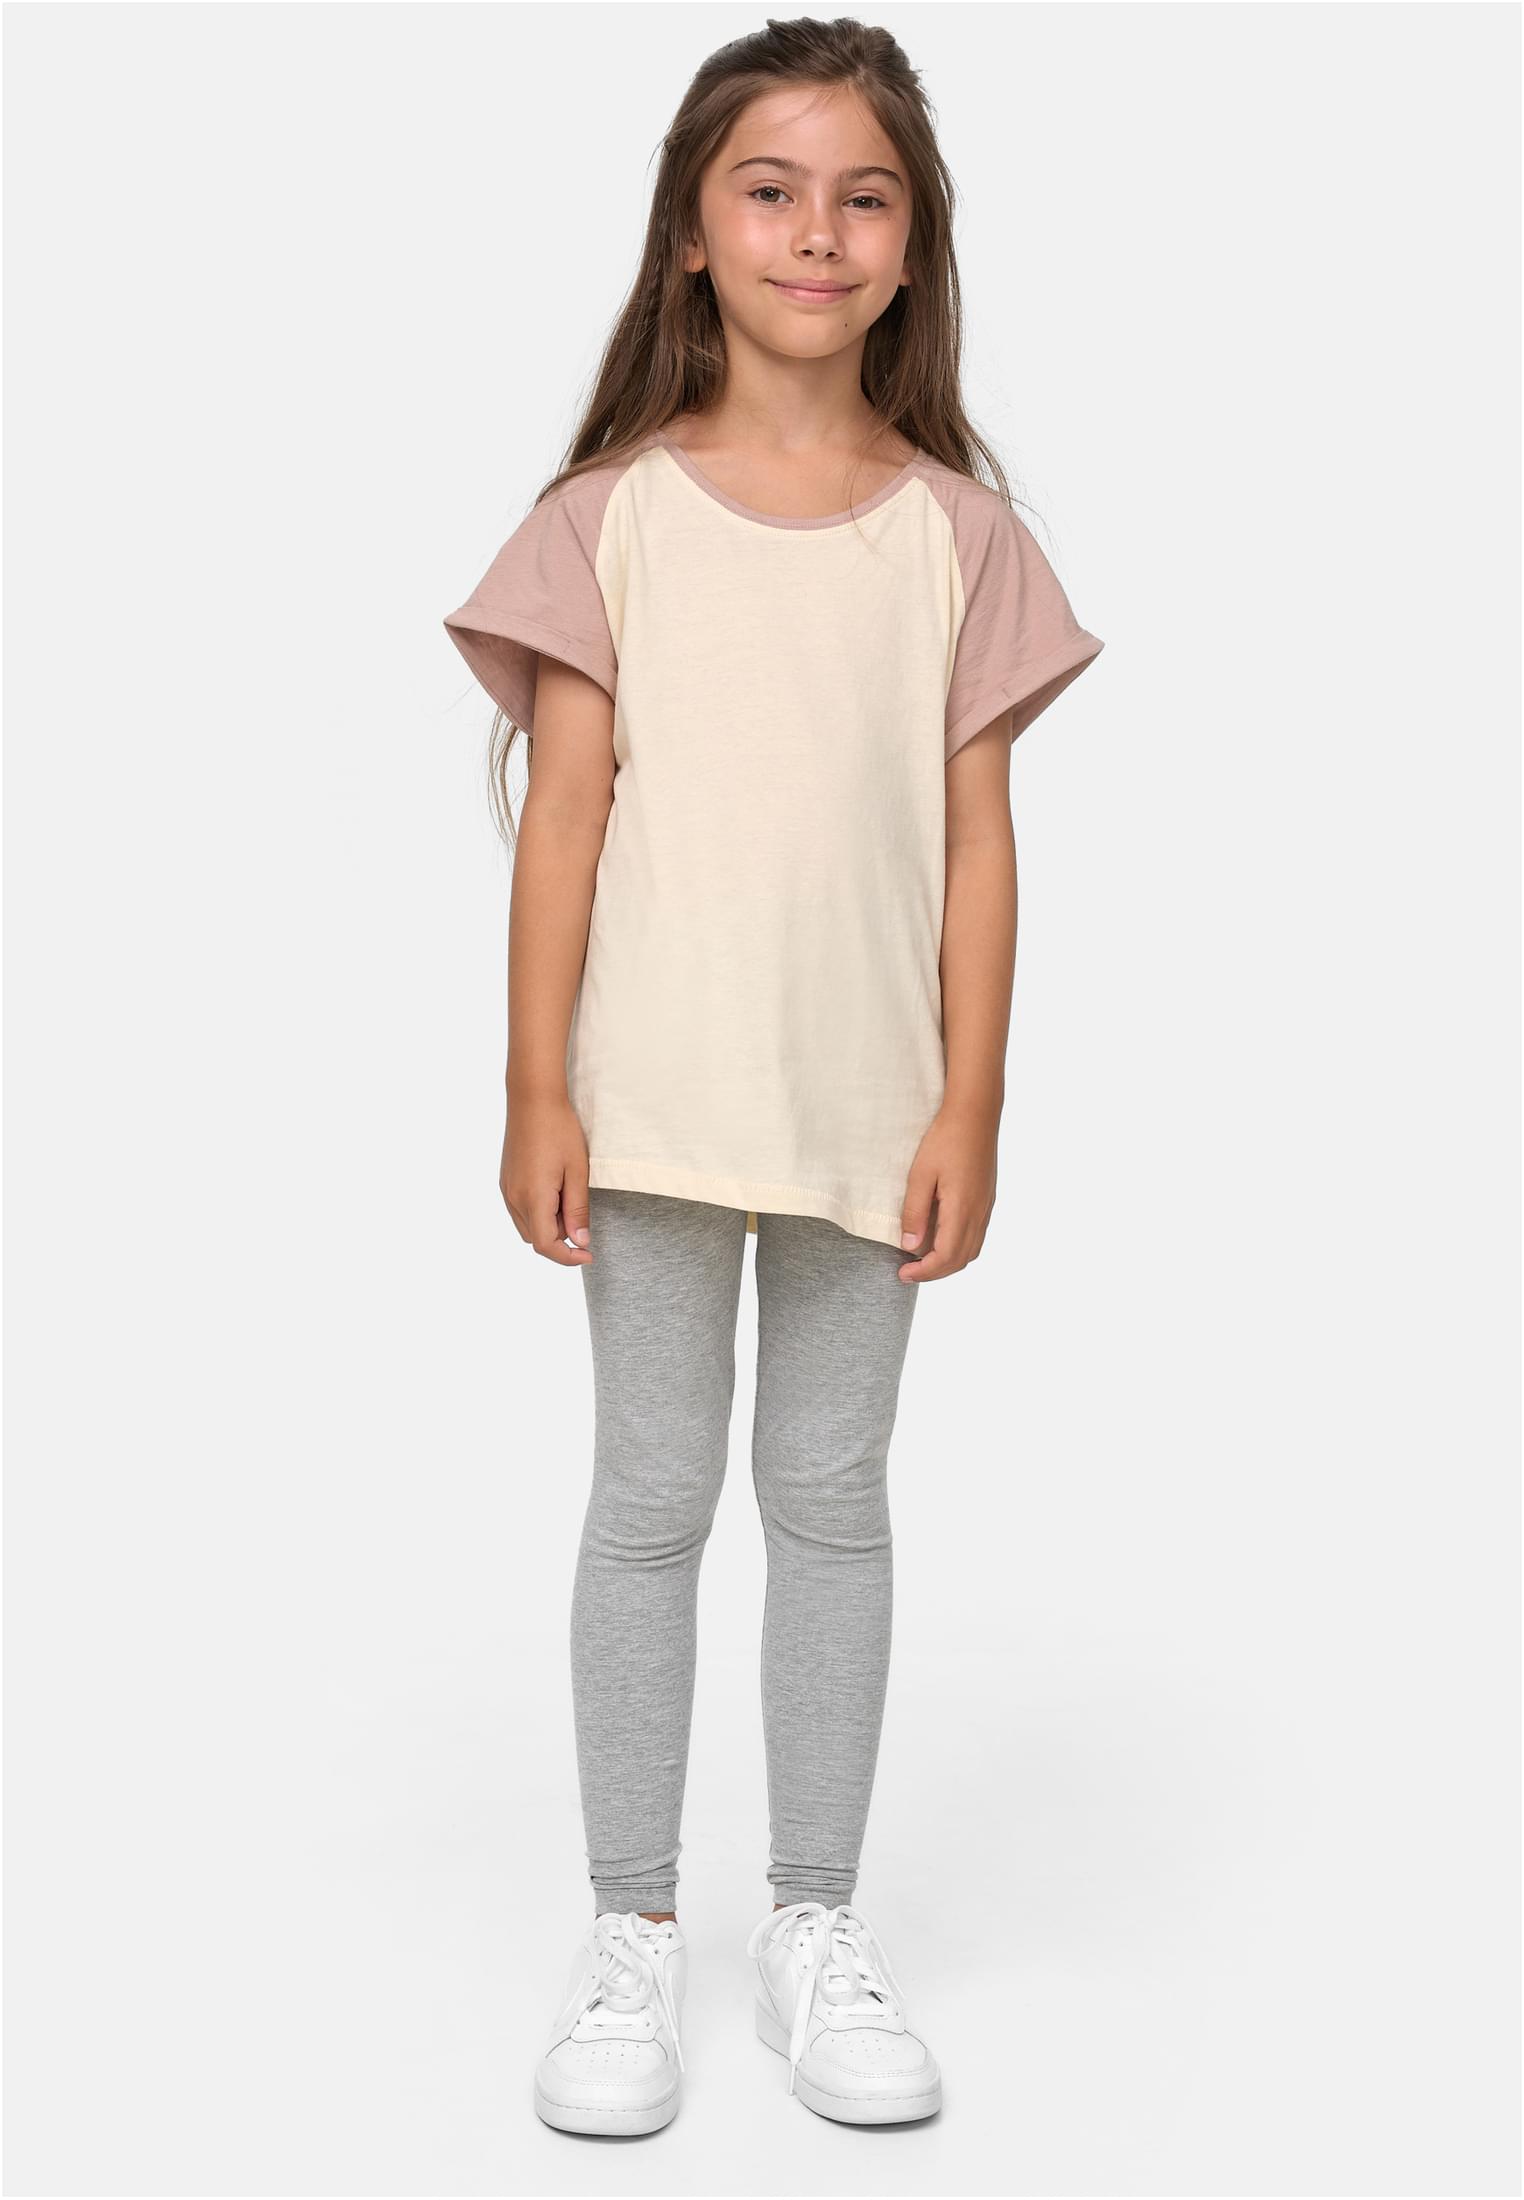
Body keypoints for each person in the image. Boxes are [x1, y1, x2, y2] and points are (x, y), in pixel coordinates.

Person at [441, 15, 1104, 2137]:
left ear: (912, 247)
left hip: (861, 1108)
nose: (818, 230)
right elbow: (562, 821)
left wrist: (971, 1104)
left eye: (863, 195)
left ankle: (813, 1916)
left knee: (831, 1503)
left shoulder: (960, 538)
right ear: (694, 233)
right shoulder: (609, 519)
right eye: (771, 188)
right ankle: (633, 1926)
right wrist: (535, 1087)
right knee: (649, 1503)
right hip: (651, 1101)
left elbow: (979, 840)